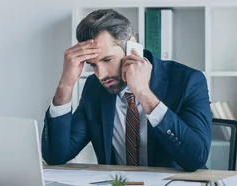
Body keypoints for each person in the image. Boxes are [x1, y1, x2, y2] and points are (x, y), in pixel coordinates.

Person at [40, 9, 212, 172]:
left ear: (133, 48)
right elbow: (56, 156)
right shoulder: (94, 88)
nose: (101, 75)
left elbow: (195, 159)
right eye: (92, 65)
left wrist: (144, 94)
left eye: (108, 59)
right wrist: (65, 85)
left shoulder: (188, 81)